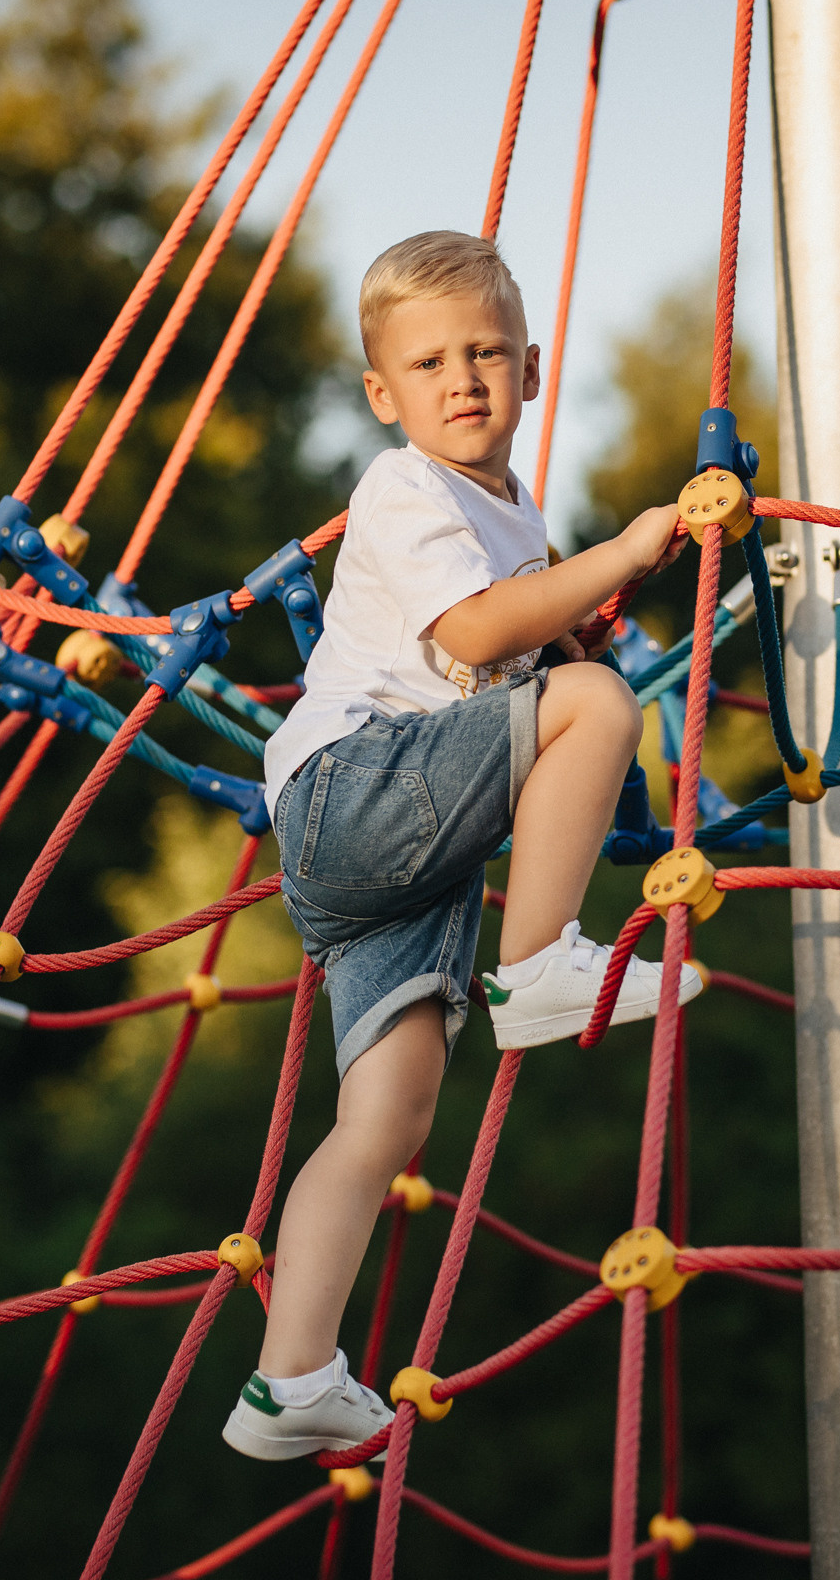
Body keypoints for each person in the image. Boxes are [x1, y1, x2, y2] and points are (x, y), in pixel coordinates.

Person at [222, 231, 702, 1461]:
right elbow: (483, 633)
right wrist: (629, 550)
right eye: (429, 361)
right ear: (385, 395)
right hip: (356, 791)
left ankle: (290, 1382)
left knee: (386, 1114)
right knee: (599, 707)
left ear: (533, 367)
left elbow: (524, 649)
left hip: (390, 854)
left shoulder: (515, 511)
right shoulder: (404, 487)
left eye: (487, 350)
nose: (463, 378)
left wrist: (582, 625)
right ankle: (537, 960)